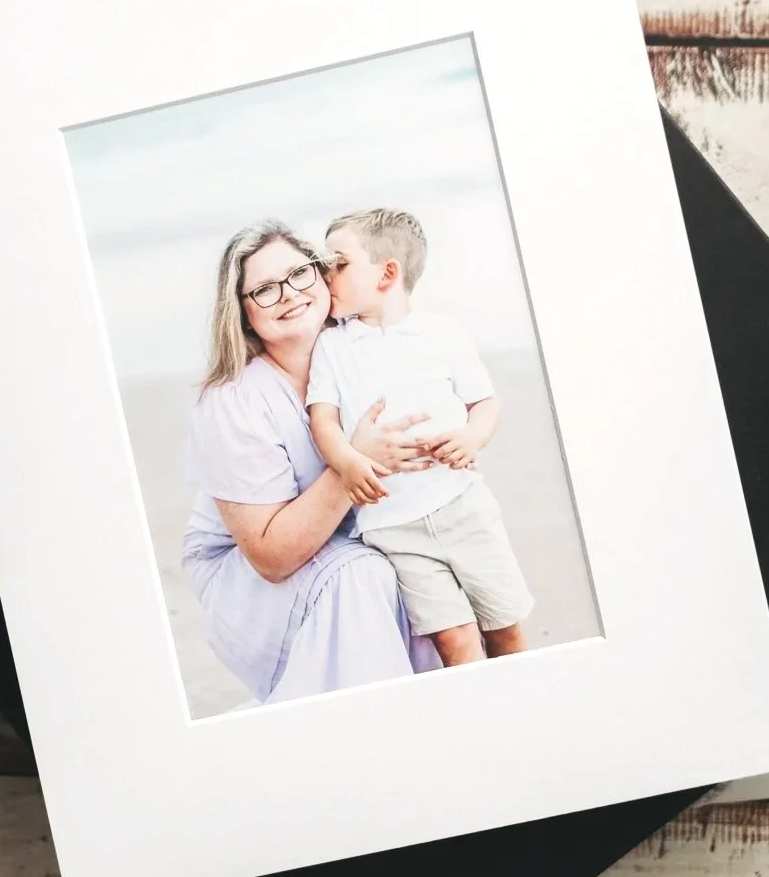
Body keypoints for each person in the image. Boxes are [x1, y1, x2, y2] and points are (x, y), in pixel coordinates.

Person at [181, 220, 441, 708]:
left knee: (427, 566)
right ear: (241, 314)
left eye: (299, 274)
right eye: (263, 290)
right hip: (248, 576)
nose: (288, 295)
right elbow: (271, 556)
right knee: (362, 574)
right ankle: (372, 725)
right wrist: (354, 462)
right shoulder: (233, 401)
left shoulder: (361, 346)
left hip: (348, 540)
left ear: (323, 277)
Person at [305, 207, 535, 667]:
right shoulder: (332, 346)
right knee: (456, 641)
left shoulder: (442, 333)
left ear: (387, 273)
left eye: (339, 263)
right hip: (393, 527)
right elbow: (323, 419)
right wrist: (347, 462)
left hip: (462, 506)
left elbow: (484, 403)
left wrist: (472, 437)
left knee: (505, 627)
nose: (324, 274)